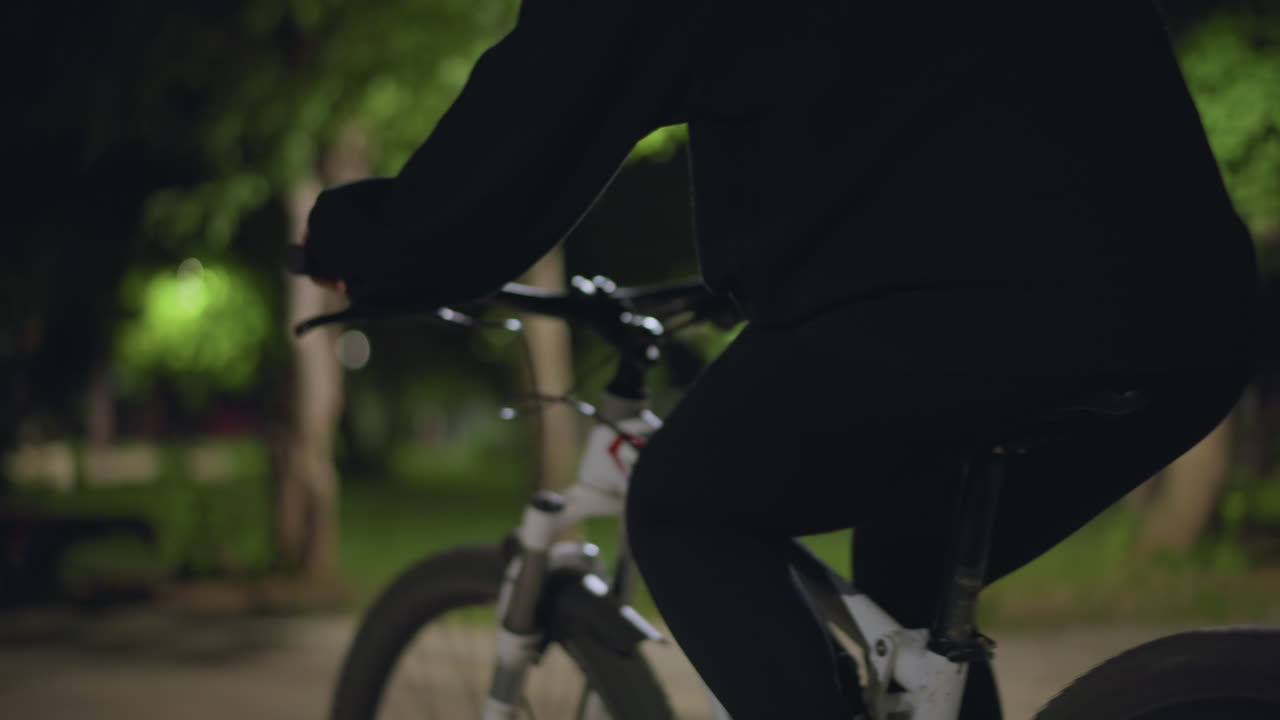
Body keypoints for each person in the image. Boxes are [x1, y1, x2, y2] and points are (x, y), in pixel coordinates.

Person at [299, 1, 1259, 718]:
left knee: (684, 505)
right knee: (906, 575)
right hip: (1190, 305)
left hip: (978, 300)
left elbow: (546, 101)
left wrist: (371, 246)